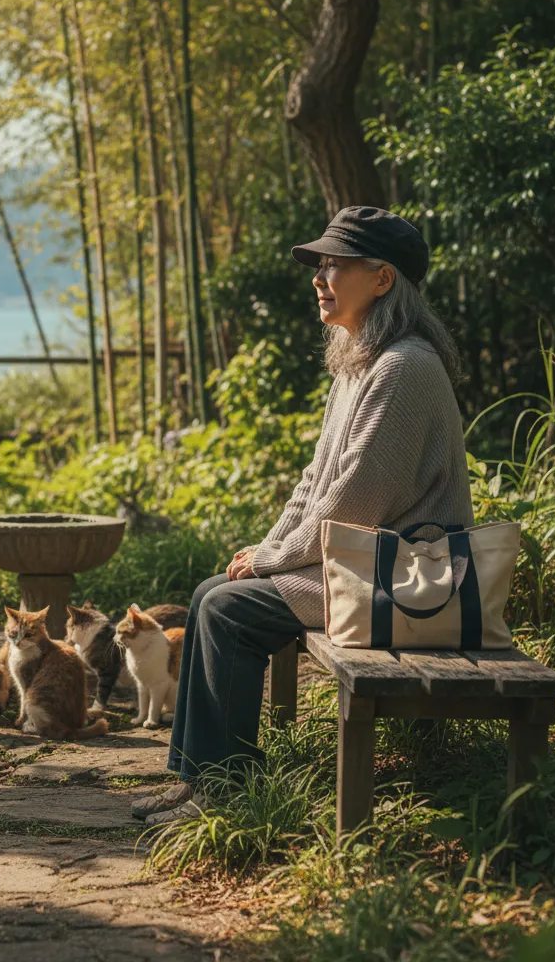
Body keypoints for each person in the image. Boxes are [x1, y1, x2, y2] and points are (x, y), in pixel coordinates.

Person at [131, 206, 475, 825]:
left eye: (334, 265)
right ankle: (193, 779)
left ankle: (224, 791)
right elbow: (314, 482)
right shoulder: (360, 363)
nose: (319, 277)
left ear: (383, 279)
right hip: (362, 564)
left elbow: (356, 501)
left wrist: (272, 560)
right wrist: (264, 552)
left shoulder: (404, 367)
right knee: (212, 591)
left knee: (227, 611)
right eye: (319, 265)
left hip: (405, 583)